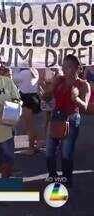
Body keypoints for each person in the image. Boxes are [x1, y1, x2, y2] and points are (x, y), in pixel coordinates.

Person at [42, 54, 91, 187]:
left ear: (78, 68)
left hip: (72, 119)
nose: (65, 69)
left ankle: (66, 179)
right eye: (64, 65)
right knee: (50, 151)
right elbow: (47, 98)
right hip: (56, 118)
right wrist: (44, 93)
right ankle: (52, 176)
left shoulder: (83, 84)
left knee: (66, 152)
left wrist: (76, 99)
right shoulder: (59, 79)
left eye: (69, 66)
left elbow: (85, 106)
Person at [13, 68, 42, 155]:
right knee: (30, 124)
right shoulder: (33, 70)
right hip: (33, 97)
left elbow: (14, 80)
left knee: (29, 125)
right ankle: (37, 141)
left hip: (27, 98)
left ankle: (31, 148)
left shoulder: (24, 72)